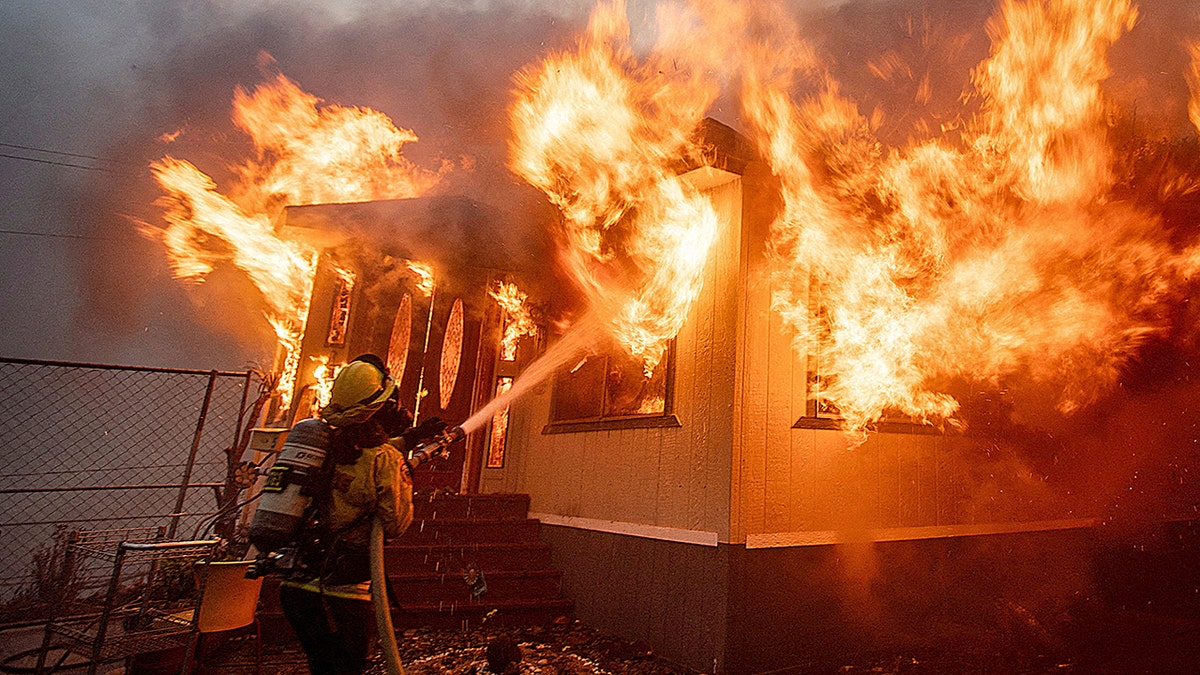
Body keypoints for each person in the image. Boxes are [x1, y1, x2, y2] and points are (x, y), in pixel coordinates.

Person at [277, 355, 413, 675]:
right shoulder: (384, 460)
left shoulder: (320, 440)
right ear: (378, 407)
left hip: (297, 586)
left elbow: (355, 457)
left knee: (321, 667)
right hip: (341, 592)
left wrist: (410, 440)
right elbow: (396, 522)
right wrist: (402, 472)